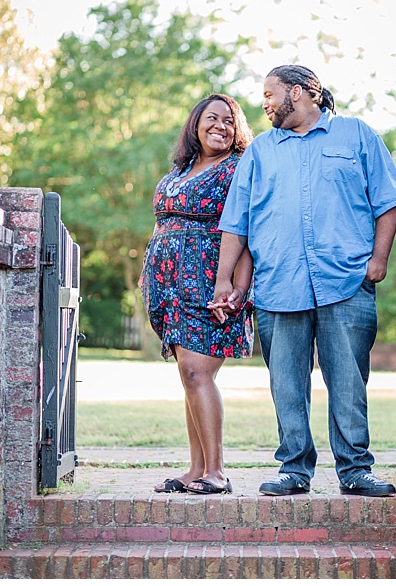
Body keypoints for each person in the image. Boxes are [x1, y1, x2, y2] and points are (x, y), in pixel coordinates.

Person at [210, 65, 396, 497]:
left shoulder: (356, 135)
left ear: (298, 93)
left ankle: (355, 470)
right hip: (279, 284)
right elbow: (236, 222)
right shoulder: (260, 151)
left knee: (349, 383)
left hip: (346, 281)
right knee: (286, 384)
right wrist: (225, 280)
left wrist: (379, 259)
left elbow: (389, 200)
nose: (263, 104)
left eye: (269, 94)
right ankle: (294, 470)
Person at [141, 94, 255, 495]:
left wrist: (237, 289)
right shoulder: (182, 168)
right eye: (212, 118)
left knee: (197, 372)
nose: (220, 126)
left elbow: (244, 232)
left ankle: (217, 472)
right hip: (171, 287)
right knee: (188, 376)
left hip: (211, 284)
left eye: (229, 121)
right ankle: (196, 469)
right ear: (196, 123)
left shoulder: (239, 169)